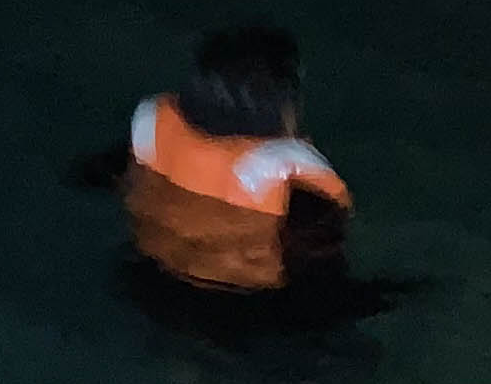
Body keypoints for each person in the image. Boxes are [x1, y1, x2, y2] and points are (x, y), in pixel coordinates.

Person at [107, 25, 379, 321]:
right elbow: (321, 280)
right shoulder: (296, 187)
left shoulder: (151, 130)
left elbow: (101, 178)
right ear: (284, 102)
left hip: (146, 281)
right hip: (241, 312)